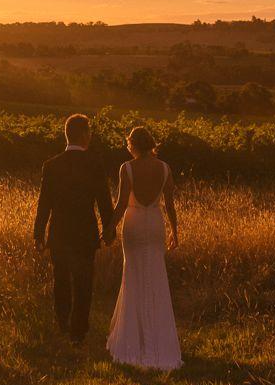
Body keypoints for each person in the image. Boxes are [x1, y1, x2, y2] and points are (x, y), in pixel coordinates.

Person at [34, 113, 116, 345]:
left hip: (59, 231)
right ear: (83, 135)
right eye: (89, 132)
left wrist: (38, 233)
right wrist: (109, 230)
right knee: (83, 283)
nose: (90, 137)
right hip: (84, 232)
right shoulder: (94, 163)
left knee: (60, 279)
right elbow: (104, 200)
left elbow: (44, 203)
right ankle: (78, 331)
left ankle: (62, 322)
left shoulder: (51, 165)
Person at [105, 126, 181, 370]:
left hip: (134, 222)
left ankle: (133, 339)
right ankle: (157, 339)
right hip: (155, 222)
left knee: (133, 275)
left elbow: (120, 205)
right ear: (151, 144)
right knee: (156, 275)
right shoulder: (165, 168)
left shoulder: (126, 168)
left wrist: (109, 228)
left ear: (132, 145)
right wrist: (175, 232)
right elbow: (169, 204)